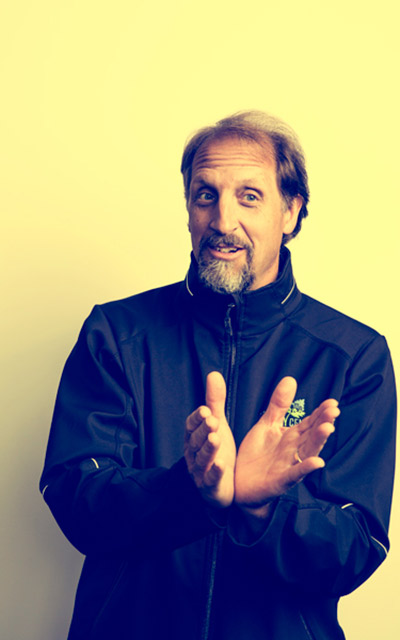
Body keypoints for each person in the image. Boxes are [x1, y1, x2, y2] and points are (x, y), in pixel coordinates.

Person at [40, 111, 396, 640]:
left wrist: (262, 506)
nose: (223, 220)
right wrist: (192, 491)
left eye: (249, 197)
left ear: (291, 212)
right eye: (206, 195)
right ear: (188, 208)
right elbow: (77, 498)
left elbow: (356, 547)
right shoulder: (116, 333)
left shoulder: (354, 355)